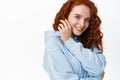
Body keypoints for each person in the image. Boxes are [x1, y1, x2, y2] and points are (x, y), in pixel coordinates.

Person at [43, 0, 106, 80]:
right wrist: (97, 78)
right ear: (66, 16)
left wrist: (70, 42)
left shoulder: (89, 40)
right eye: (77, 17)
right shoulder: (54, 43)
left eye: (87, 19)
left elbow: (98, 68)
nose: (82, 24)